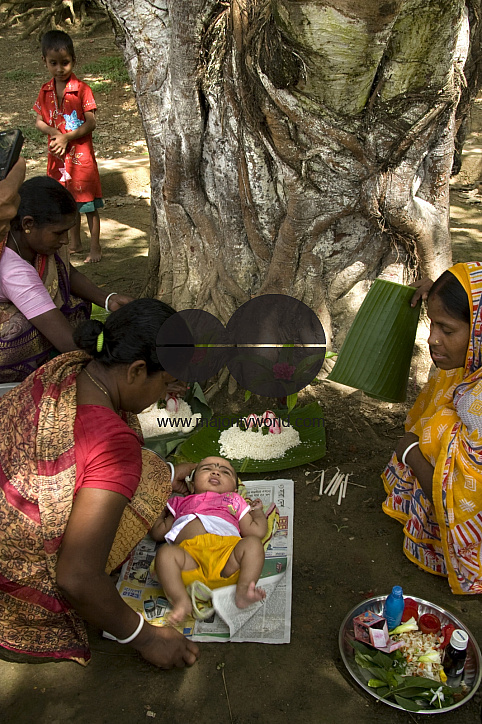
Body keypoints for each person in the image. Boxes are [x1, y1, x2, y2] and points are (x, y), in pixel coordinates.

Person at [0, 298, 200, 668]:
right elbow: (76, 578)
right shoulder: (113, 442)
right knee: (145, 474)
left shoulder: (70, 369)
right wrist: (148, 638)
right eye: (167, 383)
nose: (167, 395)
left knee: (153, 470)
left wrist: (166, 475)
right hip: (14, 577)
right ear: (138, 371)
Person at [382, 261, 482, 595]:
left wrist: (411, 452)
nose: (431, 340)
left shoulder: (476, 406)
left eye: (447, 330)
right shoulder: (472, 368)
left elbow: (457, 494)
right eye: (431, 324)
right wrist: (442, 291)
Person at [0, 175, 132, 383]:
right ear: (28, 224)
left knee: (73, 300)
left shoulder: (33, 243)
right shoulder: (14, 272)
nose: (65, 241)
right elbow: (68, 343)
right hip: (8, 351)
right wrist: (128, 360)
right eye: (59, 233)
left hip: (39, 309)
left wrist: (108, 299)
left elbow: (68, 273)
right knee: (26, 326)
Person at [151, 456, 268, 624]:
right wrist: (160, 510)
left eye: (225, 471)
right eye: (206, 469)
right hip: (189, 560)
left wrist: (256, 511)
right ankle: (181, 601)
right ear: (191, 484)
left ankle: (243, 590)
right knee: (165, 554)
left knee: (253, 545)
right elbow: (158, 532)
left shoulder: (234, 501)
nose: (215, 471)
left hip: (227, 558)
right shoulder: (179, 502)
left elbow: (256, 531)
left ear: (234, 489)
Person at [34, 30, 103, 262]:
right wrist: (55, 133)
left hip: (80, 159)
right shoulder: (45, 91)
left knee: (88, 204)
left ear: (74, 60)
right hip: (57, 159)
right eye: (53, 63)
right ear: (44, 61)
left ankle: (95, 247)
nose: (59, 68)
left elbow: (91, 122)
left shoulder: (82, 90)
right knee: (66, 201)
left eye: (65, 63)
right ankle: (75, 242)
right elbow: (39, 121)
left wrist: (67, 137)